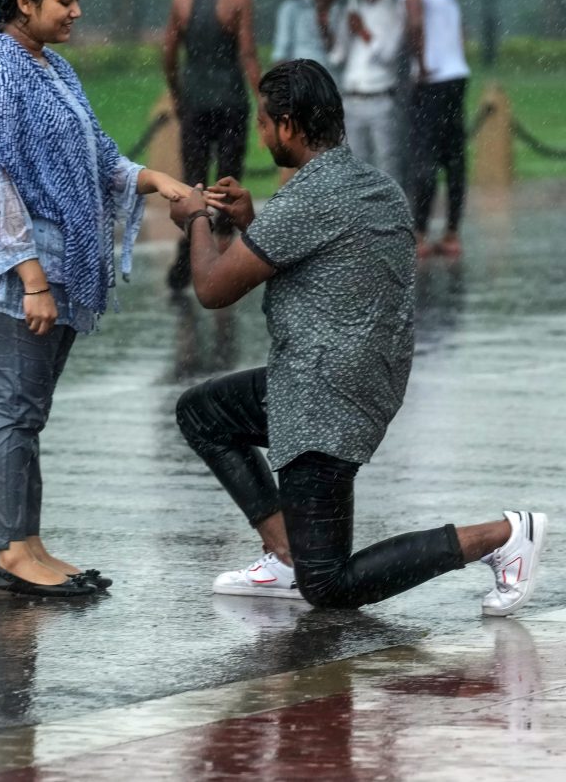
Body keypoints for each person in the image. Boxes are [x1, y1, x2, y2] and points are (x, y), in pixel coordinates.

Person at [169, 59, 546, 617]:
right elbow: (325, 264)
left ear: (291, 126)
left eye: (267, 123)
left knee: (330, 586)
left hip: (322, 396)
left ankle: (503, 536)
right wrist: (253, 222)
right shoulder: (376, 186)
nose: (261, 133)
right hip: (363, 377)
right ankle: (284, 551)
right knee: (204, 412)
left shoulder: (306, 200)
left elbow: (213, 289)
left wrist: (197, 219)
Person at [0, 0, 191, 598]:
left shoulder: (48, 65)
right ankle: (11, 552)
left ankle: (29, 542)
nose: (77, 11)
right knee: (10, 411)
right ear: (24, 2)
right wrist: (31, 278)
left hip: (56, 271)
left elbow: (98, 153)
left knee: (27, 414)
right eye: (66, 0)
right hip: (20, 275)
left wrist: (156, 180)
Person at [163, 0, 260, 291]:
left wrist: (177, 93)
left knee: (194, 179)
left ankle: (188, 248)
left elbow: (169, 54)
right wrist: (263, 102)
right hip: (232, 102)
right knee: (229, 178)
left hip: (195, 104)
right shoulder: (239, 0)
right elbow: (248, 54)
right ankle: (220, 252)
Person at [377, 0, 470, 258]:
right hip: (456, 75)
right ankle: (453, 232)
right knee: (454, 156)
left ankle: (419, 233)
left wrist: (422, 64)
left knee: (424, 155)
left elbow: (416, 22)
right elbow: (457, 26)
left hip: (431, 80)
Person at [329, 0, 405, 184]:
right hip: (352, 97)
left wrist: (364, 33)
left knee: (387, 161)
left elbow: (390, 55)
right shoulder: (353, 10)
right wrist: (340, 30)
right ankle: (361, 217)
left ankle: (390, 215)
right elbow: (338, 56)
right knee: (354, 163)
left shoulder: (393, 9)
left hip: (379, 97)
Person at [271, 0, 346, 73]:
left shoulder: (341, 11)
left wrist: (325, 29)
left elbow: (338, 53)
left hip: (332, 79)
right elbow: (281, 51)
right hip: (302, 78)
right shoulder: (293, 8)